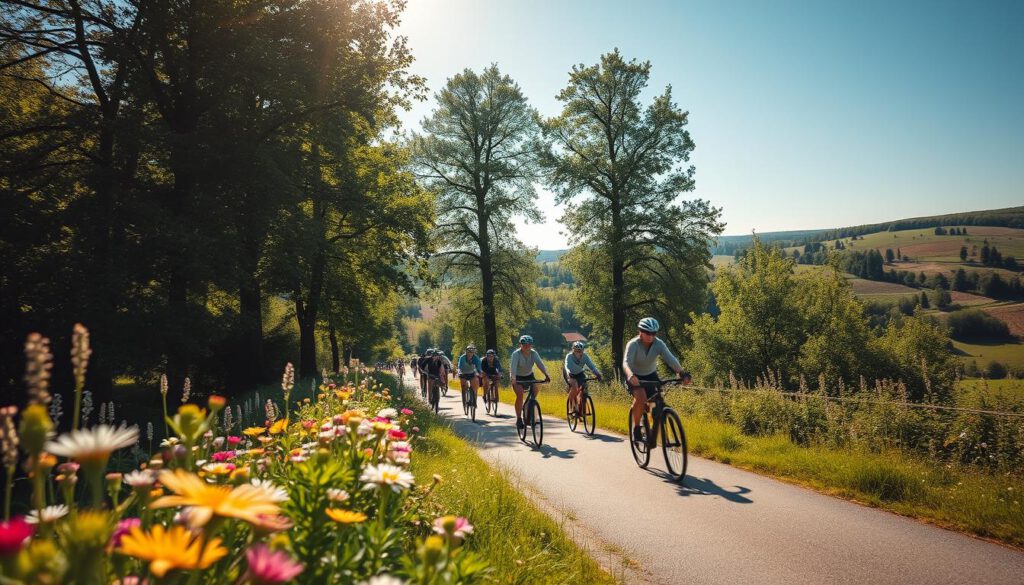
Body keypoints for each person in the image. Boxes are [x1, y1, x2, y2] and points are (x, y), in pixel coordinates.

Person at [622, 317, 690, 442]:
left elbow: (671, 359)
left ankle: (652, 426)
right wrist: (631, 375)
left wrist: (682, 372)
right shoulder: (633, 344)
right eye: (647, 333)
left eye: (653, 333)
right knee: (641, 398)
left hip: (651, 375)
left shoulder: (659, 344)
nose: (651, 336)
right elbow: (626, 363)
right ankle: (636, 428)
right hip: (634, 376)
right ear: (640, 332)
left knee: (657, 400)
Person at [509, 335, 550, 429]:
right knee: (520, 395)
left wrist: (546, 374)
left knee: (536, 387)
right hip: (517, 377)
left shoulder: (533, 353)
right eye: (524, 345)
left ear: (531, 345)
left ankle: (530, 407)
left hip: (529, 375)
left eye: (528, 344)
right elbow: (513, 368)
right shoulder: (516, 354)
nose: (526, 346)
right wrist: (513, 379)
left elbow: (540, 364)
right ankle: (519, 419)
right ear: (520, 345)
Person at [563, 341, 602, 418]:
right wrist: (569, 376)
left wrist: (598, 374)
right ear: (573, 350)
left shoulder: (585, 356)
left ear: (583, 350)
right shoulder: (569, 356)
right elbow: (567, 367)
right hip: (570, 373)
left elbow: (592, 366)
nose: (579, 352)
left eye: (580, 350)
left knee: (584, 389)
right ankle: (572, 407)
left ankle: (581, 409)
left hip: (580, 373)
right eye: (576, 350)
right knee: (575, 387)